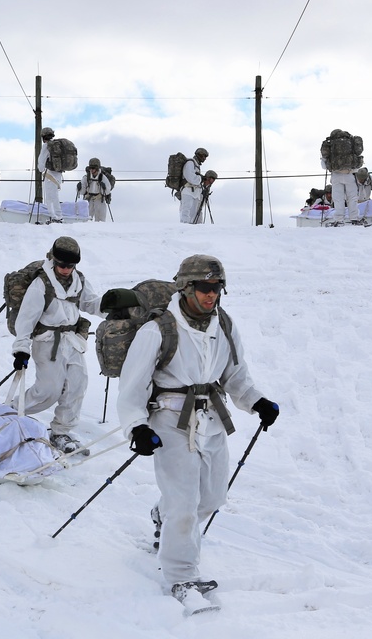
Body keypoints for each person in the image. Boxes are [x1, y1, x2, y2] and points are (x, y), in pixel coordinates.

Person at [115, 254, 279, 609]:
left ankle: (163, 516)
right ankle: (182, 577)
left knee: (212, 498)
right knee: (185, 504)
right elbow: (133, 385)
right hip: (171, 420)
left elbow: (236, 375)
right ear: (186, 287)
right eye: (205, 287)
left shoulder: (225, 324)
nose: (212, 294)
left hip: (212, 419)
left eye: (217, 287)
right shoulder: (158, 329)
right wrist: (137, 427)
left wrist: (257, 401)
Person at [10, 236, 103, 454]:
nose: (65, 269)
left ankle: (62, 433)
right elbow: (26, 318)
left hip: (72, 340)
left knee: (77, 385)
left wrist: (115, 306)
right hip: (47, 342)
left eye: (70, 265)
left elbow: (91, 303)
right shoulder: (41, 283)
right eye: (62, 265)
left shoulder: (78, 279)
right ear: (53, 259)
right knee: (48, 391)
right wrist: (21, 349)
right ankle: (12, 411)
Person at [321, 146, 360, 225]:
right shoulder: (350, 145)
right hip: (349, 173)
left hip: (336, 175)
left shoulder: (331, 145)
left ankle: (339, 220)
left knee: (338, 199)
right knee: (352, 198)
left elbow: (324, 166)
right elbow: (358, 164)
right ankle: (354, 218)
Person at [37, 127, 65, 223]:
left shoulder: (46, 146)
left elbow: (41, 164)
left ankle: (57, 217)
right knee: (54, 195)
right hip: (58, 175)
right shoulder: (58, 145)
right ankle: (57, 216)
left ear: (43, 137)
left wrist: (40, 169)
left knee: (50, 197)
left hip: (50, 176)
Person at [77, 158, 113, 222]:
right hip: (88, 199)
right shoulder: (86, 177)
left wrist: (103, 188)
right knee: (86, 218)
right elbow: (82, 191)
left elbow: (108, 190)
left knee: (100, 219)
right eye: (91, 168)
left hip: (99, 199)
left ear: (97, 168)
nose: (92, 170)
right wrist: (79, 188)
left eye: (94, 168)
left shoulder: (102, 177)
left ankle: (99, 231)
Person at [179, 148, 209, 224]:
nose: (204, 159)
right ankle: (184, 228)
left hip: (195, 192)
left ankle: (192, 230)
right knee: (186, 212)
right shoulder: (190, 163)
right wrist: (200, 179)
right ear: (199, 155)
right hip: (187, 190)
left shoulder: (196, 165)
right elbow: (190, 177)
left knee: (194, 214)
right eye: (204, 156)